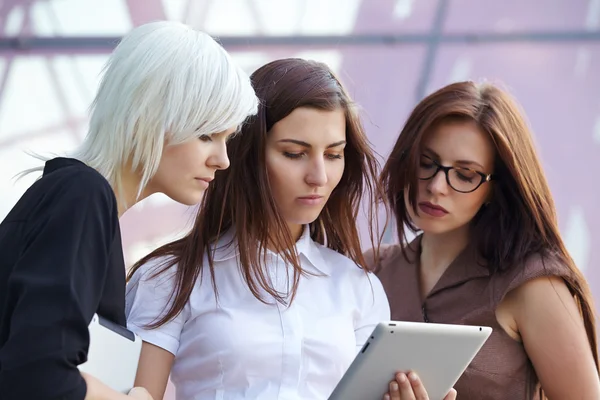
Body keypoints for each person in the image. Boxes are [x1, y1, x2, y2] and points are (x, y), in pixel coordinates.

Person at [125, 58, 454, 400]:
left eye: (333, 154)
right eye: (295, 153)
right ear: (246, 154)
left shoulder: (358, 288)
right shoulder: (169, 278)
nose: (319, 177)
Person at [0, 21, 258, 400]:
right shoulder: (83, 197)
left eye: (227, 139)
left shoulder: (73, 200)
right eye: (207, 135)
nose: (223, 160)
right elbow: (39, 374)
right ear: (149, 117)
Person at [367, 81, 600, 399]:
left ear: (495, 187)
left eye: (465, 174)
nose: (437, 186)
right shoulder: (369, 270)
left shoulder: (531, 283)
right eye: (426, 162)